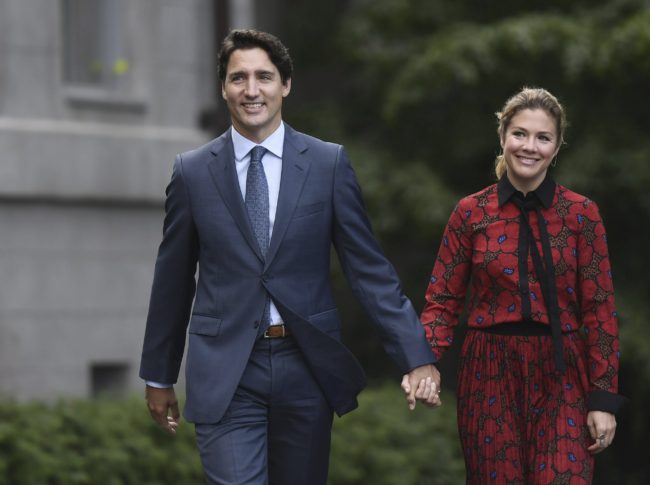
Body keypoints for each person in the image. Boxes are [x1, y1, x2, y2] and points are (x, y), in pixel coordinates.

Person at [139, 29, 440, 485]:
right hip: (226, 370)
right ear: (224, 88)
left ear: (286, 85)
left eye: (265, 76)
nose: (252, 90)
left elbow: (369, 271)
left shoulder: (327, 164)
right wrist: (159, 374)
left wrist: (415, 355)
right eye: (239, 78)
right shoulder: (192, 172)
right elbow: (173, 281)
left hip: (306, 365)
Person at [417, 87, 626, 484]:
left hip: (563, 371)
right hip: (489, 370)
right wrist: (424, 362)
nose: (529, 146)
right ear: (503, 138)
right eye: (520, 134)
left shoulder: (581, 215)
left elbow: (600, 309)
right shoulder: (470, 212)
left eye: (543, 137)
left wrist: (603, 398)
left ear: (557, 146)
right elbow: (442, 300)